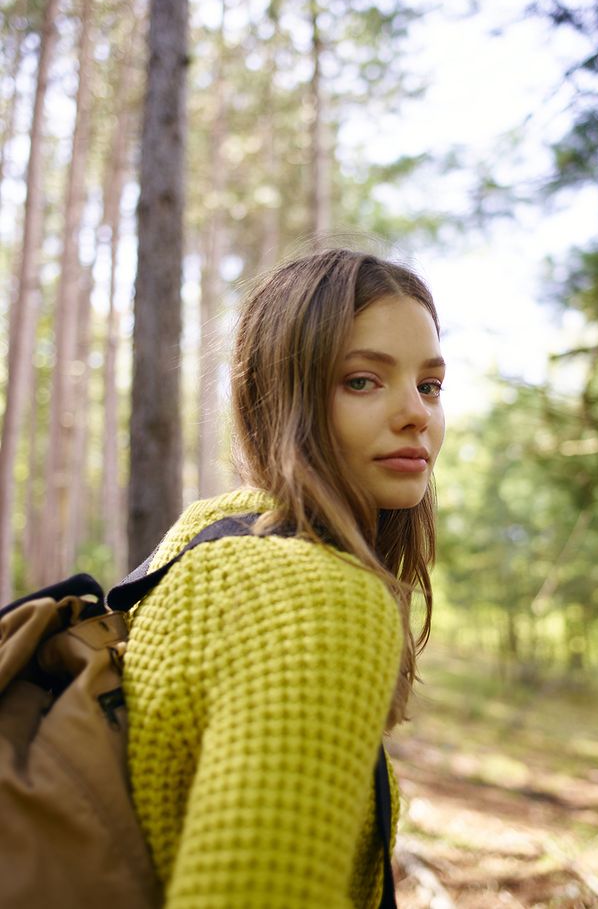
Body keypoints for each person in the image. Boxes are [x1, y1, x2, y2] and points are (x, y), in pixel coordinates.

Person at [121, 247, 446, 908]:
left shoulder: (208, 533)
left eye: (430, 384)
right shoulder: (319, 595)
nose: (417, 412)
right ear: (282, 394)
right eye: (363, 379)